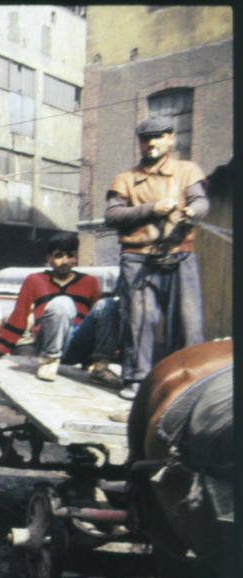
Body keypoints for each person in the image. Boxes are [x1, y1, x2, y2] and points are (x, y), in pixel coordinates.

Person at [105, 114, 210, 401]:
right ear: (139, 143)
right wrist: (152, 209)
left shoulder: (188, 171)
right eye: (146, 138)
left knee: (189, 322)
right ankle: (136, 379)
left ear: (171, 139)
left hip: (180, 257)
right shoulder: (125, 179)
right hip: (138, 259)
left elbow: (201, 201)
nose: (151, 143)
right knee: (140, 321)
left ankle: (192, 380)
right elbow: (112, 215)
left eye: (159, 137)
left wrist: (191, 211)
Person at [0, 232, 101, 382]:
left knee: (107, 306)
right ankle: (50, 362)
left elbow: (97, 323)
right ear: (49, 259)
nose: (65, 261)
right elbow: (20, 315)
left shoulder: (90, 282)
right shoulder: (35, 280)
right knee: (62, 302)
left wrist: (92, 358)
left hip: (78, 344)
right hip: (47, 341)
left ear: (76, 258)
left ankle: (102, 366)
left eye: (70, 256)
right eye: (59, 255)